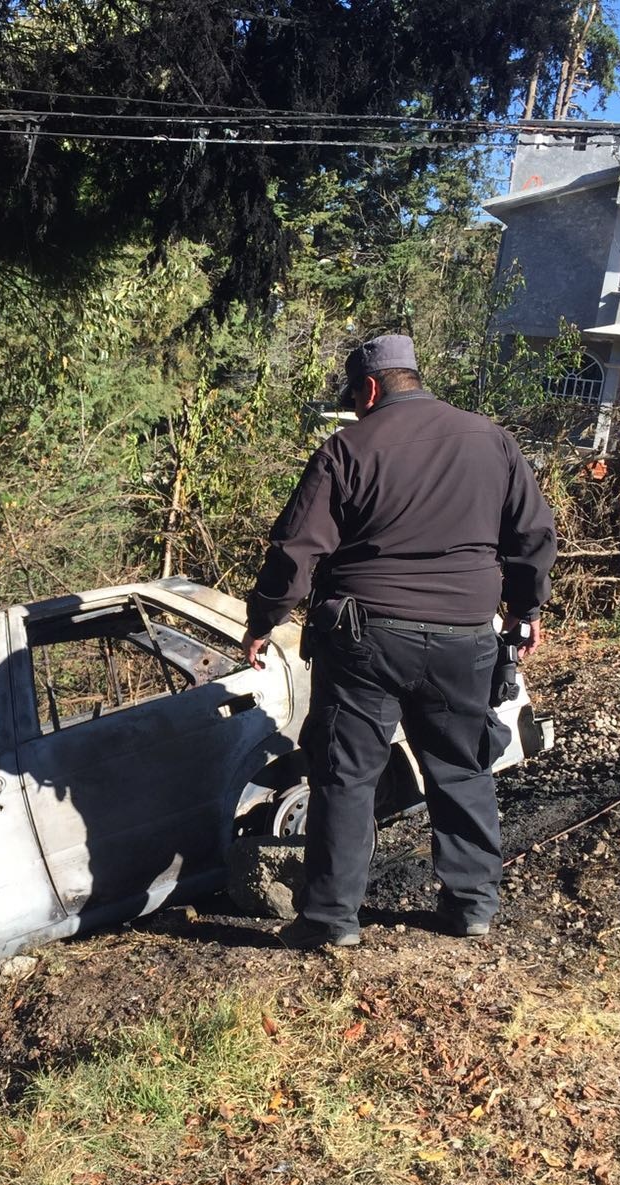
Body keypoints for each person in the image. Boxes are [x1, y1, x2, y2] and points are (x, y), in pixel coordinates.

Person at [242, 334, 556, 948]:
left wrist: (265, 618)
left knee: (346, 774)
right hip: (465, 636)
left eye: (355, 397)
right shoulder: (491, 439)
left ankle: (332, 920)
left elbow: (297, 550)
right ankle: (471, 907)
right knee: (462, 767)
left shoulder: (346, 448)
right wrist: (525, 609)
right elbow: (532, 534)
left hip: (366, 638)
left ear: (370, 387)